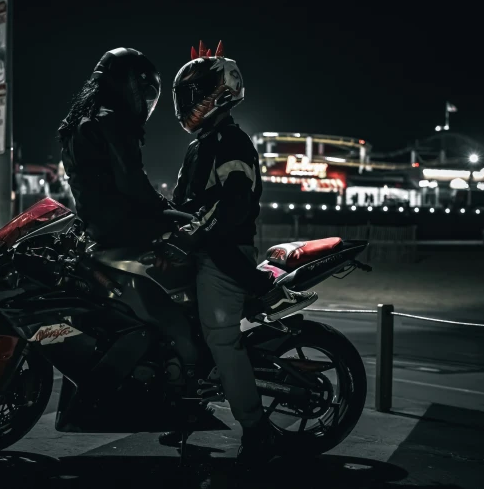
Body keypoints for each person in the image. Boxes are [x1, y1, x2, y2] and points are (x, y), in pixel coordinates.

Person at [158, 40, 317, 466]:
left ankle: (256, 429)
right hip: (198, 249)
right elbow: (179, 203)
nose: (188, 104)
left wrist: (193, 233)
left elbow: (233, 205)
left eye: (195, 94)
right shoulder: (200, 145)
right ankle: (188, 405)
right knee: (176, 330)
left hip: (223, 253)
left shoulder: (231, 141)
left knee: (221, 338)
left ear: (219, 93)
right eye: (185, 97)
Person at [58, 48, 172, 247]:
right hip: (124, 229)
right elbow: (132, 182)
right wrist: (165, 206)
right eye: (145, 93)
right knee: (191, 234)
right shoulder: (113, 121)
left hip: (96, 230)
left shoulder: (78, 123)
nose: (146, 104)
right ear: (131, 84)